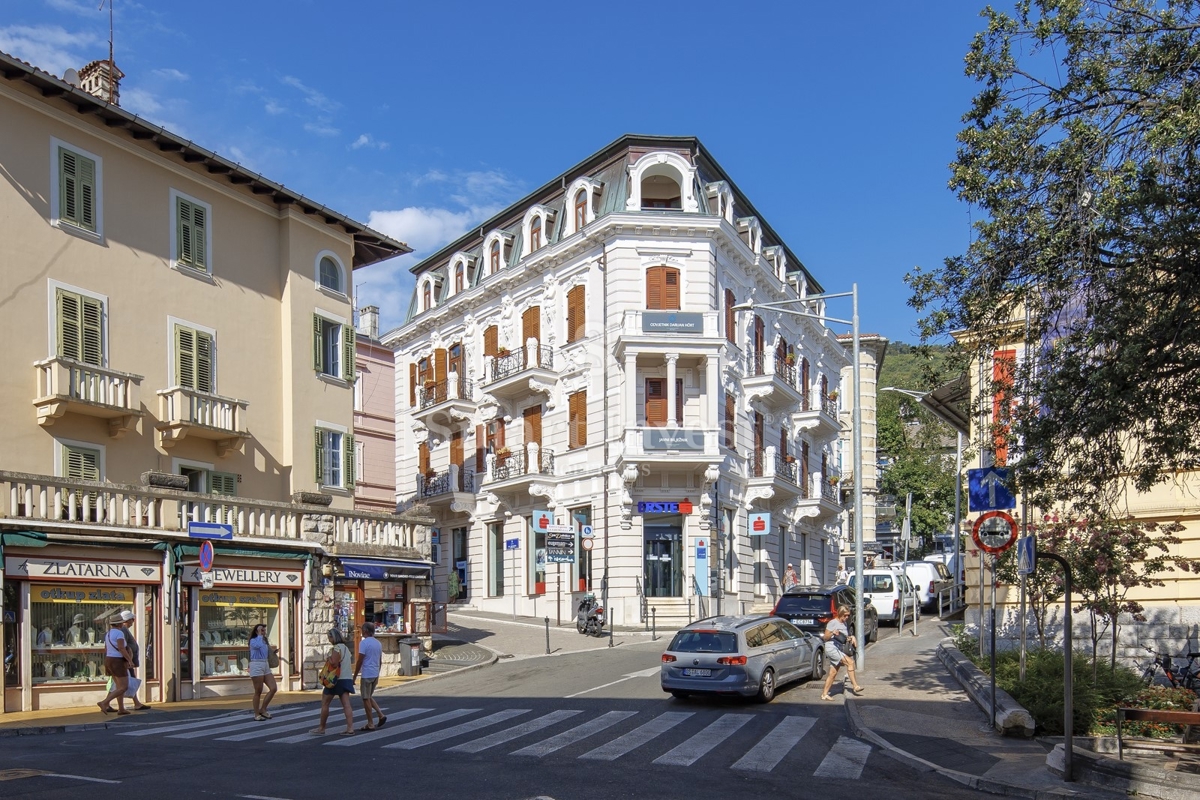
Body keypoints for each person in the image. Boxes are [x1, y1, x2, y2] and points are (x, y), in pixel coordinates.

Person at [310, 627, 355, 736]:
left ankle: (322, 728)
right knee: (346, 705)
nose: (329, 640)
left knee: (325, 703)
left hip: (335, 680)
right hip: (346, 678)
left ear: (333, 637)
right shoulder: (346, 648)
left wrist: (328, 658)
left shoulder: (336, 648)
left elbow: (334, 663)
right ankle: (350, 728)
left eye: (329, 637)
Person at [820, 606, 865, 701]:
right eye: (845, 615)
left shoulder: (844, 624)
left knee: (833, 673)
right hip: (832, 648)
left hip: (839, 649)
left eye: (848, 615)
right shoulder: (832, 623)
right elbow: (825, 637)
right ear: (840, 614)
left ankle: (824, 694)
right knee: (850, 662)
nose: (847, 617)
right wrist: (832, 633)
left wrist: (851, 637)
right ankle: (855, 686)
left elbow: (844, 638)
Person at [352, 622, 386, 731]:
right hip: (375, 673)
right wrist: (378, 672)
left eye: (362, 630)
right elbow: (380, 661)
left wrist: (355, 676)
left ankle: (370, 723)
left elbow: (360, 660)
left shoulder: (364, 643)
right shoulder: (378, 643)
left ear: (366, 631)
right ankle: (380, 715)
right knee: (369, 696)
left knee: (366, 698)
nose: (361, 631)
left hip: (367, 674)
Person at [97, 616, 133, 715]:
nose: (123, 624)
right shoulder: (119, 633)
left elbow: (106, 648)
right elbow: (122, 648)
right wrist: (129, 660)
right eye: (122, 622)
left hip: (109, 659)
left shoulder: (108, 634)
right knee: (123, 687)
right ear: (119, 624)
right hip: (117, 661)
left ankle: (121, 708)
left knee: (118, 686)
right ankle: (104, 702)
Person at [119, 609, 151, 710]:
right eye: (132, 619)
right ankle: (107, 703)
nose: (133, 621)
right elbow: (123, 646)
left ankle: (136, 702)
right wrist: (129, 660)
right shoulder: (123, 630)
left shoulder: (125, 630)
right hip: (127, 661)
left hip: (128, 661)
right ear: (127, 620)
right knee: (123, 683)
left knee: (122, 682)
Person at [248, 623, 277, 721]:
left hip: (265, 664)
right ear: (256, 631)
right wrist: (260, 635)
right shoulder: (253, 640)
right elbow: (258, 646)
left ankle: (263, 708)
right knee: (258, 691)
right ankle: (256, 714)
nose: (264, 632)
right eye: (261, 630)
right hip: (256, 664)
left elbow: (265, 650)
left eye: (264, 630)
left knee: (273, 688)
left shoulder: (264, 641)